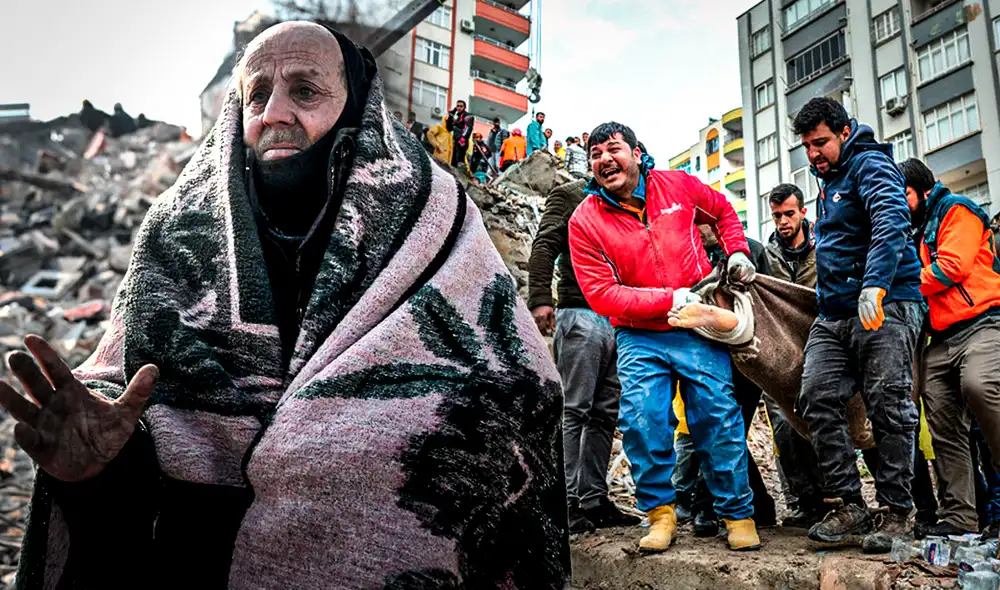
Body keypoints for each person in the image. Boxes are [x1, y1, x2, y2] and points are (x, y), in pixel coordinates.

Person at [2, 21, 570, 588]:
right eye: (256, 94)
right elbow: (130, 401)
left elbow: (518, 387)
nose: (274, 113)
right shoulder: (177, 232)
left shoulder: (432, 216)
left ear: (359, 108)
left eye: (305, 91)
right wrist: (103, 471)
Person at [568, 121, 761, 553]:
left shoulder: (677, 185)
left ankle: (738, 514)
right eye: (595, 154)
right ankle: (660, 514)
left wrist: (737, 251)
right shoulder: (584, 220)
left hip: (697, 327)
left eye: (612, 149)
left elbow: (724, 212)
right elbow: (601, 294)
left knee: (716, 418)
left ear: (637, 153)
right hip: (640, 336)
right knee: (642, 419)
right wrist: (668, 298)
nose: (603, 159)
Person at [792, 97, 923, 553]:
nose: (813, 154)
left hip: (885, 303)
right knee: (815, 395)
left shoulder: (870, 165)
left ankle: (896, 511)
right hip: (835, 315)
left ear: (845, 132)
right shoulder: (826, 181)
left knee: (888, 401)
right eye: (807, 146)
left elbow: (891, 219)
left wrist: (875, 284)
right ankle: (850, 505)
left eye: (821, 142)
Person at [528, 178, 640, 534]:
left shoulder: (631, 201)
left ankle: (592, 499)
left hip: (620, 316)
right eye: (599, 152)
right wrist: (540, 298)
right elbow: (545, 243)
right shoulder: (569, 194)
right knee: (574, 409)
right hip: (580, 311)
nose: (607, 160)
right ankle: (566, 502)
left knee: (605, 413)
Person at [900, 158, 1000, 537]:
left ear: (924, 191)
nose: (897, 202)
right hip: (939, 339)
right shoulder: (911, 229)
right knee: (943, 423)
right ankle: (960, 517)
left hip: (983, 324)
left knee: (981, 387)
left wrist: (895, 283)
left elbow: (952, 267)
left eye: (904, 194)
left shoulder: (956, 210)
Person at [760, 184, 829, 528]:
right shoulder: (765, 257)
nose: (783, 221)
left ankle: (835, 498)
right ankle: (805, 501)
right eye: (776, 216)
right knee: (785, 428)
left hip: (823, 346)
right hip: (780, 354)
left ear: (803, 212)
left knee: (821, 421)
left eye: (789, 213)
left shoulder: (825, 246)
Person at [446, 100, 474, 168]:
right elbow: (449, 128)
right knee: (453, 162)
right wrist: (451, 114)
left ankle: (461, 175)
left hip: (462, 141)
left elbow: (468, 127)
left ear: (464, 107)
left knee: (460, 161)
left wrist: (463, 138)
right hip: (455, 141)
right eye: (457, 106)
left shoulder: (468, 116)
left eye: (461, 106)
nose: (459, 108)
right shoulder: (457, 118)